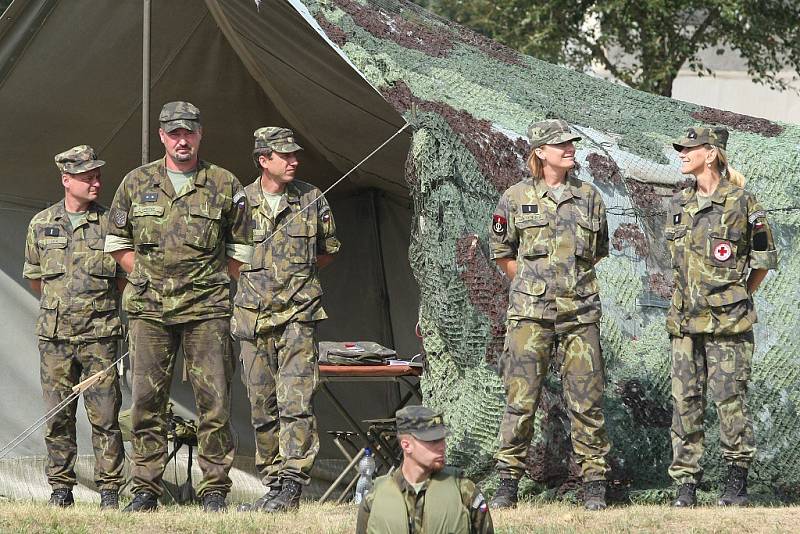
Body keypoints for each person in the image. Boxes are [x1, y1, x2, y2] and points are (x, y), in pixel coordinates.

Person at [104, 101, 253, 512]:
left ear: (201, 134)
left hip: (207, 310)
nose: (181, 140)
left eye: (188, 132)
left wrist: (213, 279)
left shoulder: (224, 184)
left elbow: (241, 248)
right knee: (147, 403)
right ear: (162, 136)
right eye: (174, 133)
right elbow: (117, 242)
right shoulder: (136, 183)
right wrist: (147, 276)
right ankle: (146, 489)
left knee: (215, 401)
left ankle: (215, 490)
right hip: (150, 312)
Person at [488, 119, 611, 510]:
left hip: (579, 314)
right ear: (541, 152)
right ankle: (508, 480)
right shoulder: (515, 196)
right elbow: (503, 254)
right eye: (561, 144)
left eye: (571, 142)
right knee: (520, 399)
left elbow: (597, 252)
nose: (570, 148)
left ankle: (593, 482)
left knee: (586, 400)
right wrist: (532, 286)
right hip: (530, 315)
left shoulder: (590, 197)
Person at [666, 126, 778, 507]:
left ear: (710, 154)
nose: (682, 153)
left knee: (729, 400)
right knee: (685, 402)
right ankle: (686, 486)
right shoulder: (678, 203)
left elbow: (762, 260)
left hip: (728, 322)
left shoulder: (743, 203)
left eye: (689, 148)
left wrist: (741, 295)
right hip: (684, 322)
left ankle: (735, 484)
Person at [232, 127, 339, 512]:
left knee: (296, 401)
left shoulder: (311, 198)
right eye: (285, 156)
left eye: (295, 155)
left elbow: (327, 250)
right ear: (264, 160)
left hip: (299, 315)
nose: (294, 161)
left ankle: (293, 482)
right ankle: (274, 484)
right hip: (252, 318)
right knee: (262, 405)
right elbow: (228, 259)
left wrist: (293, 281)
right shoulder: (239, 203)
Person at [23, 145, 125, 509]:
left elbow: (124, 278)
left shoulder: (113, 222)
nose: (96, 182)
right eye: (87, 177)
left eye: (97, 175)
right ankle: (61, 489)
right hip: (56, 338)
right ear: (67, 180)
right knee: (58, 417)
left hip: (100, 336)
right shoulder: (41, 223)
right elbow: (36, 280)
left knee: (106, 417)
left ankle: (110, 491)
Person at [356, 406, 493, 534]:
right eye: (433, 440)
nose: (442, 447)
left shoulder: (465, 491)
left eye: (442, 439)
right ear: (406, 445)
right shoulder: (374, 498)